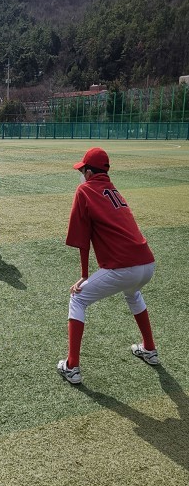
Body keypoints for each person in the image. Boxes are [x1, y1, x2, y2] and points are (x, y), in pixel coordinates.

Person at [57, 147, 158, 385]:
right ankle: (150, 349)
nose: (81, 174)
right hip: (147, 262)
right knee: (133, 294)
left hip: (125, 266)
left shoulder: (85, 190)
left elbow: (82, 238)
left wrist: (83, 275)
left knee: (78, 298)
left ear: (90, 172)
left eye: (82, 170)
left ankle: (72, 366)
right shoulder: (113, 190)